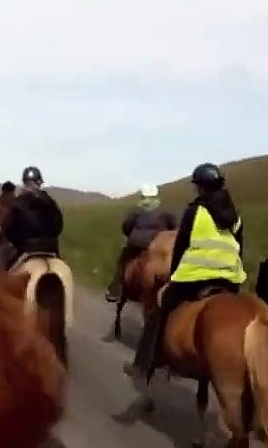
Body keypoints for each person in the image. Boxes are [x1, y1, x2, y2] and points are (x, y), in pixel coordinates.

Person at [127, 162, 245, 381]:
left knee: (161, 308)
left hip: (196, 276)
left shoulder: (195, 212)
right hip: (230, 278)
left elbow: (181, 247)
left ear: (200, 187)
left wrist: (173, 277)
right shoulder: (235, 216)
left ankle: (145, 363)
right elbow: (240, 248)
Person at [104, 183, 178, 302]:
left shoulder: (136, 210)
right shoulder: (165, 212)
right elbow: (174, 227)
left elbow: (126, 226)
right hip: (158, 244)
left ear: (142, 196)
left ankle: (115, 290)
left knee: (123, 260)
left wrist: (130, 235)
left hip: (137, 243)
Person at [0, 166, 64, 271]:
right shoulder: (51, 202)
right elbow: (59, 226)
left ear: (24, 183)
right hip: (52, 249)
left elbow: (8, 229)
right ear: (40, 183)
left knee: (6, 274)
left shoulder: (17, 202)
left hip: (26, 249)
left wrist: (16, 240)